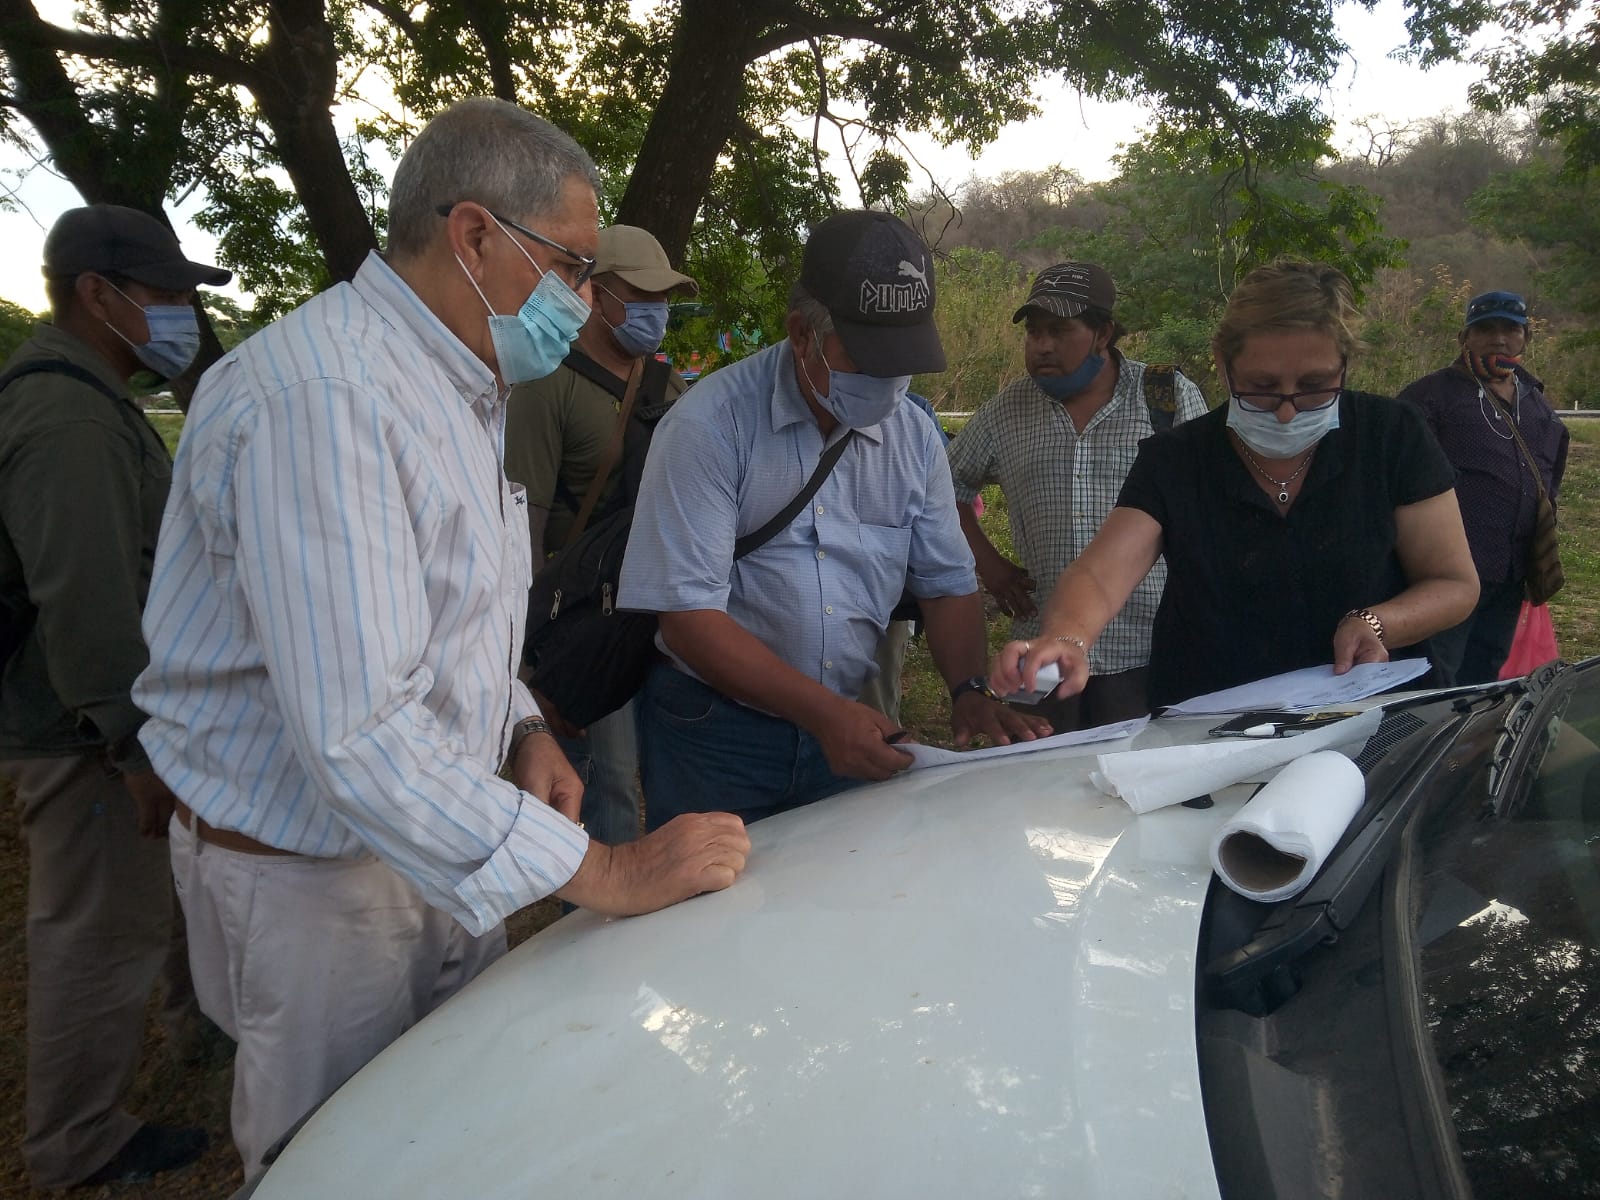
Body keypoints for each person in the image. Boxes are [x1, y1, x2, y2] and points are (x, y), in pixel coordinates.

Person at [133, 98, 750, 1183]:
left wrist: (519, 728)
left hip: (429, 845)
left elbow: (449, 616)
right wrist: (606, 866)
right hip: (322, 887)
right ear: (473, 235)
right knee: (343, 1161)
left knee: (452, 1142)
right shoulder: (326, 398)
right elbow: (362, 729)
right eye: (571, 267)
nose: (582, 300)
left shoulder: (455, 382)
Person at [618, 210, 1049, 830]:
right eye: (870, 360)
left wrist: (969, 690)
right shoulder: (709, 427)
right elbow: (688, 618)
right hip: (716, 733)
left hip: (847, 725)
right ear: (802, 334)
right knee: (716, 887)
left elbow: (946, 582)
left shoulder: (913, 437)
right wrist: (824, 716)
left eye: (903, 361)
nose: (889, 384)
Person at [990, 260, 1480, 710]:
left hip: (1373, 720)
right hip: (1211, 727)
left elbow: (1453, 583)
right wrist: (1068, 637)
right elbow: (1100, 574)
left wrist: (1378, 623)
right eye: (1262, 387)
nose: (1287, 411)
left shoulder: (1391, 435)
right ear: (1223, 365)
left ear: (1344, 366)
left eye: (1314, 386)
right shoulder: (1177, 458)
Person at [0, 204, 222, 1189]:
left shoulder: (92, 396)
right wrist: (133, 746)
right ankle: (77, 1140)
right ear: (98, 294)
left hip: (104, 719)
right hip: (82, 731)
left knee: (151, 900)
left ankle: (195, 1027)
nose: (182, 315)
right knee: (98, 931)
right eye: (166, 295)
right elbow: (86, 601)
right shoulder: (68, 416)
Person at [946, 262, 1208, 729]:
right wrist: (989, 565)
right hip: (1043, 659)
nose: (1042, 345)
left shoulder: (1164, 398)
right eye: (1034, 332)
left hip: (1150, 650)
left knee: (1144, 772)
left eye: (1060, 331)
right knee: (1042, 773)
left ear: (1103, 333)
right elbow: (944, 489)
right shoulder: (1006, 411)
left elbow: (1209, 502)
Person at [503, 224, 697, 846]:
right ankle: (596, 890)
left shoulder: (669, 387)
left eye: (663, 297)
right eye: (641, 295)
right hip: (589, 614)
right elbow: (524, 520)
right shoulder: (547, 386)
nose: (655, 310)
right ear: (596, 293)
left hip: (661, 612)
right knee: (606, 779)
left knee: (659, 763)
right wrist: (527, 653)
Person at [1397, 290, 1569, 684]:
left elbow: (1551, 474)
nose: (1499, 339)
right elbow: (1395, 478)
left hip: (1510, 572)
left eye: (1510, 329)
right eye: (1486, 329)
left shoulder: (1536, 402)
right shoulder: (1429, 397)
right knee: (1433, 676)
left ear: (1526, 337)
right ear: (1465, 337)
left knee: (1485, 675)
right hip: (1444, 572)